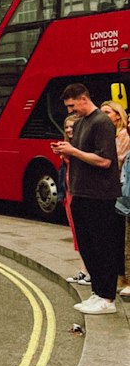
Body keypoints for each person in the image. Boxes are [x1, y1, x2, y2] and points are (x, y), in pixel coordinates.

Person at [52, 83, 123, 315]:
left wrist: (74, 152)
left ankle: (108, 299)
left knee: (103, 246)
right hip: (80, 192)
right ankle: (98, 292)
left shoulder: (101, 122)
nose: (71, 111)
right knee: (87, 246)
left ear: (83, 98)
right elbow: (82, 156)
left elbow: (105, 161)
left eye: (73, 105)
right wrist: (66, 151)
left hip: (100, 194)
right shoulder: (81, 123)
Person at [100, 99, 130, 300]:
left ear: (118, 115)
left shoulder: (122, 136)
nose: (103, 116)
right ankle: (122, 277)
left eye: (107, 112)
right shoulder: (111, 134)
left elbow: (114, 162)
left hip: (120, 190)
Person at [57, 114, 89, 287]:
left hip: (79, 193)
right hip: (69, 193)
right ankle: (84, 270)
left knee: (84, 233)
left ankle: (88, 271)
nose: (69, 130)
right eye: (67, 127)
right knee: (77, 233)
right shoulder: (68, 146)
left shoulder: (81, 147)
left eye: (73, 126)